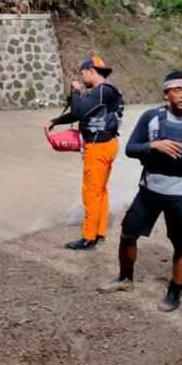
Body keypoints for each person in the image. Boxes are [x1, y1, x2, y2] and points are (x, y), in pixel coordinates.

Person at [97, 71, 182, 312]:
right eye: (177, 90)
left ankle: (175, 292)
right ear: (166, 93)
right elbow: (130, 148)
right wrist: (153, 145)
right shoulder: (151, 117)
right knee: (127, 234)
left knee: (180, 244)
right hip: (150, 189)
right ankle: (125, 278)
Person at [45, 57, 124, 250]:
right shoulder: (106, 91)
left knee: (90, 192)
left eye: (82, 74)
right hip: (108, 144)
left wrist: (75, 91)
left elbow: (79, 110)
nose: (81, 78)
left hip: (98, 147)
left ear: (90, 70)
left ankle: (88, 238)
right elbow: (79, 112)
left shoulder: (101, 91)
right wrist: (55, 121)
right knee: (100, 190)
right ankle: (99, 231)